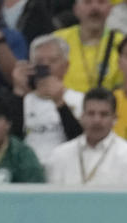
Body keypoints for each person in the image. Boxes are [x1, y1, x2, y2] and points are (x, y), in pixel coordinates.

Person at [10, 34, 84, 166]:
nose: (45, 66)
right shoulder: (21, 101)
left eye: (52, 61)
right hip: (29, 170)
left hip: (66, 169)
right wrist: (18, 91)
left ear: (66, 66)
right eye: (39, 61)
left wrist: (60, 103)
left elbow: (81, 140)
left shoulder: (80, 100)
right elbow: (12, 139)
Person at [46, 87, 127, 184]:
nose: (96, 120)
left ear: (114, 119)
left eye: (104, 114)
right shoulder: (60, 155)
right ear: (82, 116)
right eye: (91, 113)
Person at [52, 0, 123, 93]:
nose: (95, 7)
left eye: (101, 2)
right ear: (76, 9)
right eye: (87, 2)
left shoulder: (122, 44)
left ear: (110, 9)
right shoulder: (57, 40)